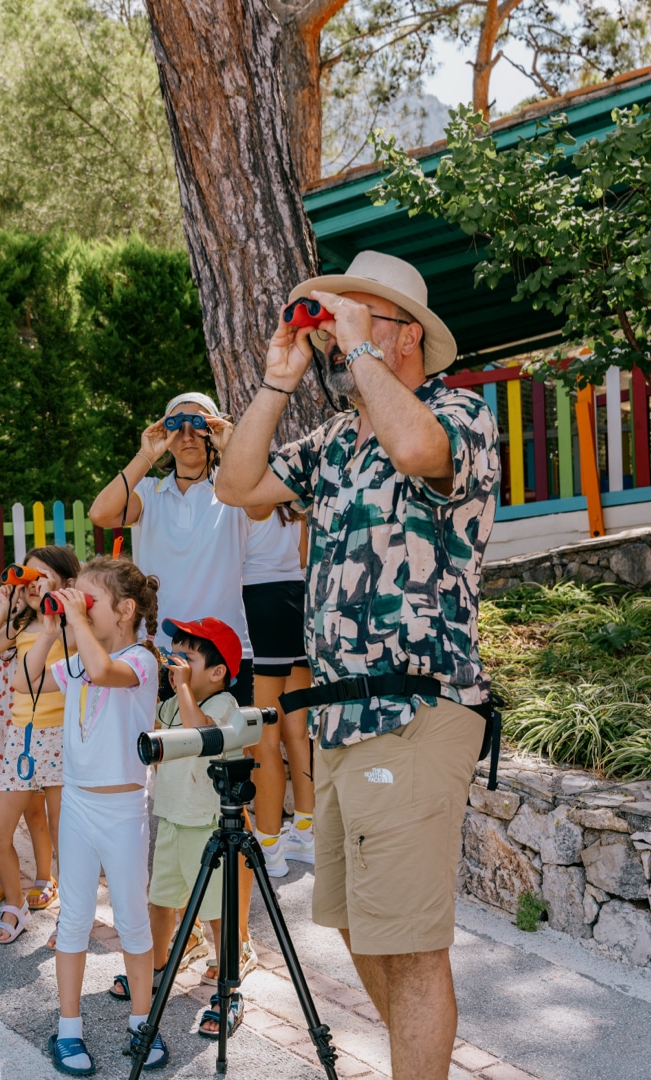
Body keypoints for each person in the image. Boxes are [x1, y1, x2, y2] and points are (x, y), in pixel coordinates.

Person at [215, 250, 500, 1080]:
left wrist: (361, 350)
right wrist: (276, 379)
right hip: (340, 720)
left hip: (416, 712)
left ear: (404, 336)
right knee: (355, 926)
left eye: (356, 314)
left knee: (408, 950)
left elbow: (416, 450)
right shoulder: (334, 441)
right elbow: (238, 486)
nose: (336, 333)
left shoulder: (457, 415)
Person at [23, 556, 166, 1076]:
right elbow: (25, 680)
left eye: (91, 600)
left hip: (124, 807)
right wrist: (49, 625)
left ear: (125, 610)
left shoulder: (141, 659)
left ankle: (141, 1022)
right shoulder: (80, 654)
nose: (79, 607)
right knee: (74, 920)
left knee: (132, 920)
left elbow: (105, 672)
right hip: (79, 803)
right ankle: (67, 1028)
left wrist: (75, 619)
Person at [89, 391, 255, 707]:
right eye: (177, 426)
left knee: (231, 751)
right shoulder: (149, 494)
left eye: (199, 424)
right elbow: (101, 514)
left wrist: (231, 448)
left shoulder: (233, 490)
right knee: (165, 750)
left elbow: (262, 506)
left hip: (225, 649)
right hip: (161, 649)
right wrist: (146, 455)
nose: (188, 435)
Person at [128, 617, 245, 1040]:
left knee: (216, 911)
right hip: (173, 817)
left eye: (187, 657)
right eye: (173, 653)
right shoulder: (172, 705)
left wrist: (179, 687)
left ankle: (227, 988)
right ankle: (158, 966)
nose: (176, 662)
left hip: (207, 826)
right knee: (161, 901)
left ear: (216, 672)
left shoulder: (224, 704)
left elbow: (202, 736)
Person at [0, 546, 79, 944]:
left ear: (67, 581)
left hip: (64, 736)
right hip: (23, 738)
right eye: (25, 576)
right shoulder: (21, 626)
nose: (31, 584)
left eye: (41, 576)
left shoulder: (74, 626)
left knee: (63, 831)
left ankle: (72, 914)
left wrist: (63, 608)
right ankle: (15, 905)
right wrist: (7, 601)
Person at [241, 507, 315, 874]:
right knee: (297, 732)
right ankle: (305, 831)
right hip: (297, 599)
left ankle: (269, 846)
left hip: (257, 602)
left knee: (264, 737)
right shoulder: (289, 496)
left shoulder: (238, 495)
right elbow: (302, 556)